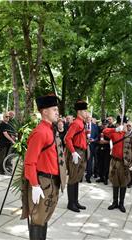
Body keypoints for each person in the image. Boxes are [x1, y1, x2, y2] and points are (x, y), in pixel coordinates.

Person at [22, 94, 66, 240]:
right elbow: (29, 162)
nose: (57, 112)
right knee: (37, 219)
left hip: (51, 182)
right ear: (44, 111)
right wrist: (34, 185)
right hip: (42, 182)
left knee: (44, 217)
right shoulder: (41, 132)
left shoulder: (50, 129)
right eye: (54, 109)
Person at [103, 116, 132, 213]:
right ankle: (115, 202)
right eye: (120, 124)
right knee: (115, 182)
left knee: (123, 183)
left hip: (125, 163)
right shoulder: (115, 133)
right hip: (114, 162)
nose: (122, 126)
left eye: (124, 124)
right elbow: (105, 131)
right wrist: (115, 129)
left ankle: (121, 203)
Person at [64, 100, 88, 212]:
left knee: (77, 178)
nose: (86, 113)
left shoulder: (81, 123)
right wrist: (73, 152)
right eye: (84, 110)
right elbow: (67, 138)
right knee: (73, 178)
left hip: (81, 152)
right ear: (79, 112)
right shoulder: (76, 123)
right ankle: (70, 203)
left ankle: (75, 201)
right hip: (76, 152)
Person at [96, 119, 111, 185]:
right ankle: (101, 177)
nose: (104, 125)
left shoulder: (110, 131)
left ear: (107, 125)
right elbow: (97, 138)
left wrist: (106, 142)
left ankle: (106, 178)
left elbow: (112, 141)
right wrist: (98, 141)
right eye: (103, 124)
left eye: (105, 124)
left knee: (106, 164)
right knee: (100, 163)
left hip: (107, 149)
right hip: (100, 148)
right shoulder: (100, 130)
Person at [85, 116, 99, 183]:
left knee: (90, 161)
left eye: (89, 118)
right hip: (84, 146)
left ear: (91, 119)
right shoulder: (83, 125)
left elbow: (97, 136)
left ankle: (88, 176)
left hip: (93, 146)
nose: (87, 119)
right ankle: (82, 176)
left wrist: (93, 140)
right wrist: (85, 140)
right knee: (85, 161)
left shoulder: (95, 126)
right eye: (86, 118)